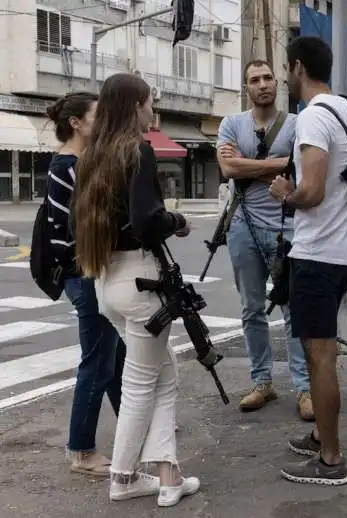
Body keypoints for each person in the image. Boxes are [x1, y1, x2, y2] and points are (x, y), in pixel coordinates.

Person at [73, 72, 199, 507]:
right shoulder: (137, 151)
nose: (153, 110)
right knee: (142, 385)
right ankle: (124, 478)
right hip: (142, 282)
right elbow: (147, 220)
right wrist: (178, 222)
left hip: (107, 281)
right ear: (134, 107)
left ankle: (168, 475)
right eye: (149, 102)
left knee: (164, 377)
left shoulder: (93, 156)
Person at [269, 36, 347, 486]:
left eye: (287, 69)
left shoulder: (311, 119)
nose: (287, 77)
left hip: (318, 253)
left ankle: (330, 458)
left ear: (299, 68)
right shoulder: (344, 110)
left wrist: (286, 194)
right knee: (319, 352)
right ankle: (323, 436)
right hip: (343, 250)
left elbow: (314, 191)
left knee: (320, 358)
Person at [216, 60, 313, 420]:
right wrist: (277, 164)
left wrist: (248, 164)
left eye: (268, 78)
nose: (262, 84)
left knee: (293, 309)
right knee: (251, 308)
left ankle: (304, 387)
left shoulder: (296, 123)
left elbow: (301, 166)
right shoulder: (231, 123)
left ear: (277, 82)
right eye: (254, 79)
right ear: (247, 87)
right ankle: (262, 382)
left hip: (286, 226)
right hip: (241, 224)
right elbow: (227, 169)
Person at [45, 92, 126, 477]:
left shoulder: (82, 162)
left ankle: (132, 426)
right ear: (76, 122)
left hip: (93, 270)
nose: (104, 122)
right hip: (84, 273)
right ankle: (81, 451)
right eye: (98, 116)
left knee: (115, 355)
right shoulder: (66, 167)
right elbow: (60, 235)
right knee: (97, 362)